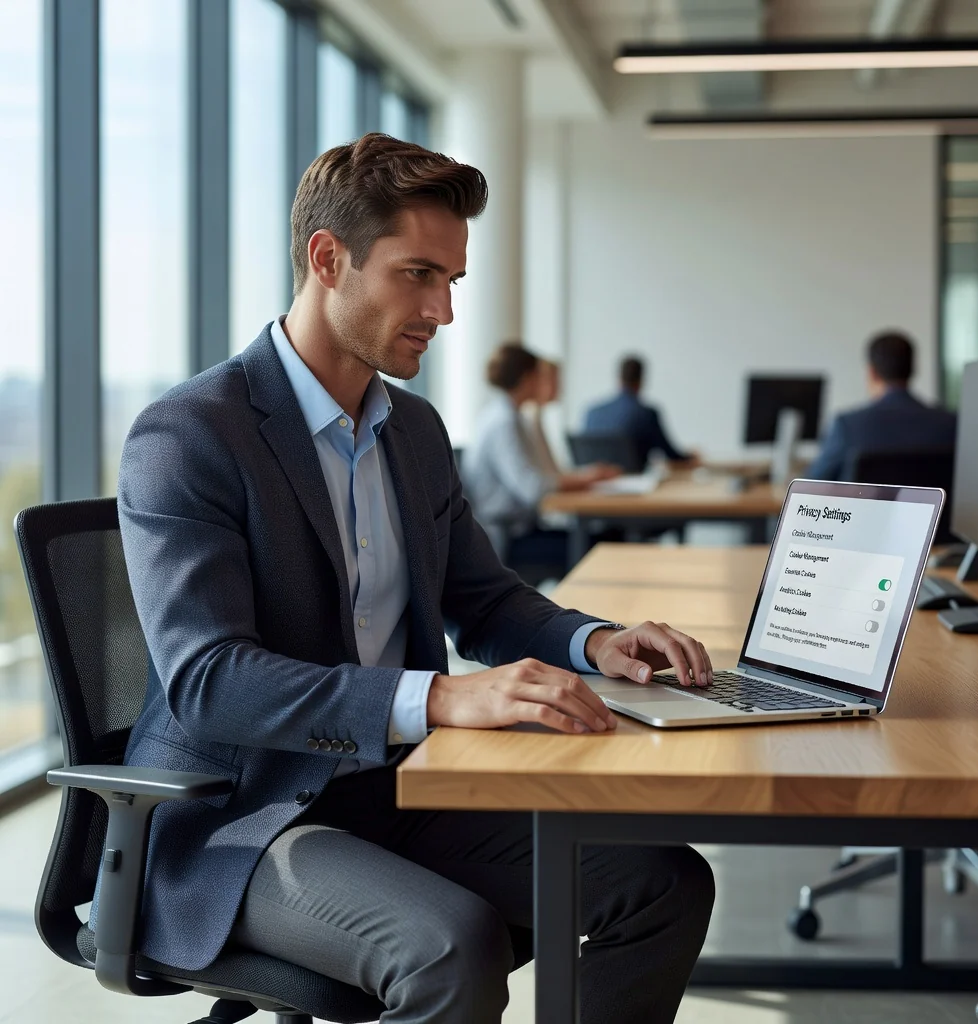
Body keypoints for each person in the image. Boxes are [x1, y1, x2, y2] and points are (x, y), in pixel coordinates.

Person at [112, 133, 716, 1024]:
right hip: (242, 818)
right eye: (418, 274)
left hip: (400, 786)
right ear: (329, 259)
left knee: (660, 881)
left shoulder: (414, 432)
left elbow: (483, 600)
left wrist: (595, 642)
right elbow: (208, 682)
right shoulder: (192, 433)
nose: (443, 309)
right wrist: (436, 698)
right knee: (450, 945)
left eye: (452, 282)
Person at [463, 344, 614, 569]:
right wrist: (585, 479)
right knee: (602, 547)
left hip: (519, 529)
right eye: (538, 375)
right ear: (527, 378)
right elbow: (532, 488)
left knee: (605, 540)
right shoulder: (504, 422)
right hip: (507, 538)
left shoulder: (507, 415)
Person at [806, 330, 957, 481]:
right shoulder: (951, 423)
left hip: (862, 505)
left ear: (872, 372)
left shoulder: (847, 425)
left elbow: (813, 482)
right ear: (912, 370)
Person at [584, 355, 694, 466]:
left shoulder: (592, 412)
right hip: (635, 478)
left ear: (619, 378)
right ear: (641, 381)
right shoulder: (647, 414)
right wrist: (691, 457)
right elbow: (671, 455)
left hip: (596, 481)